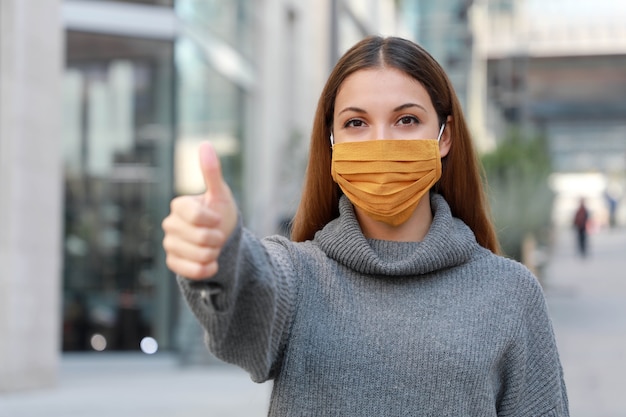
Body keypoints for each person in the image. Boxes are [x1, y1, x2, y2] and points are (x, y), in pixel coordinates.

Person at [162, 36, 569, 416]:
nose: (381, 142)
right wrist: (221, 249)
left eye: (407, 120)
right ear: (332, 141)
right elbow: (249, 290)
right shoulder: (297, 277)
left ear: (445, 137)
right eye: (356, 124)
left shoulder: (510, 292)